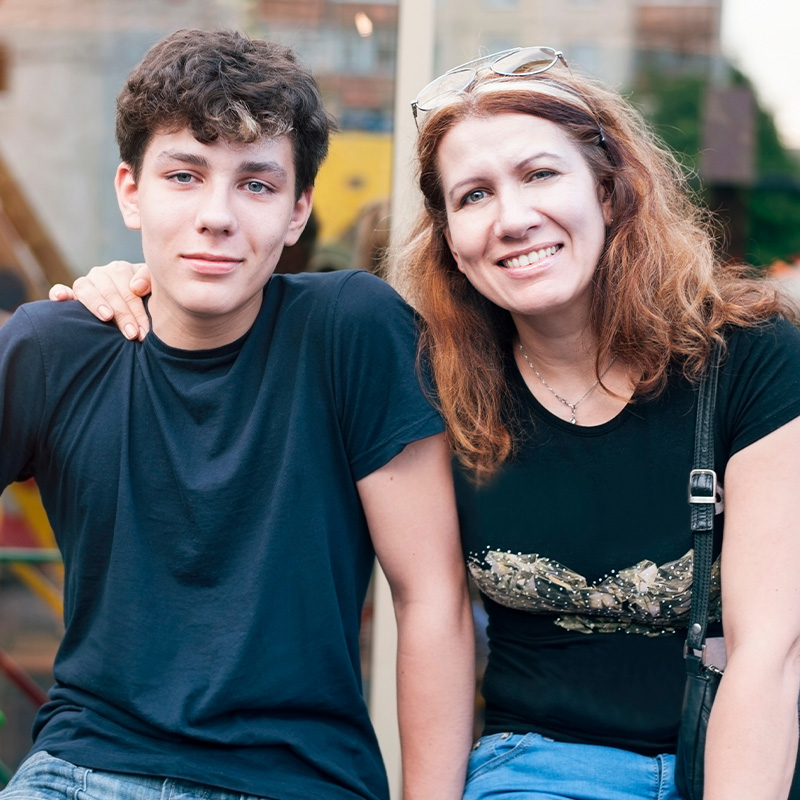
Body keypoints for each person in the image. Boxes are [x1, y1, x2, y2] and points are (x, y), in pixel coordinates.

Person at [51, 45, 800, 800]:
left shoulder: (750, 357)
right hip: (537, 771)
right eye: (473, 196)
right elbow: (426, 602)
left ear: (609, 191)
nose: (512, 219)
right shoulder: (428, 373)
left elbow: (769, 655)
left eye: (540, 175)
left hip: (741, 749)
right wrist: (131, 288)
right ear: (447, 235)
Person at [0, 28, 474, 800]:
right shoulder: (55, 346)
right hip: (84, 770)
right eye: (184, 175)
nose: (216, 215)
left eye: (255, 184)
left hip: (296, 778)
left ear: (297, 212)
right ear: (131, 191)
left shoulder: (351, 329)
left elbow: (429, 597)